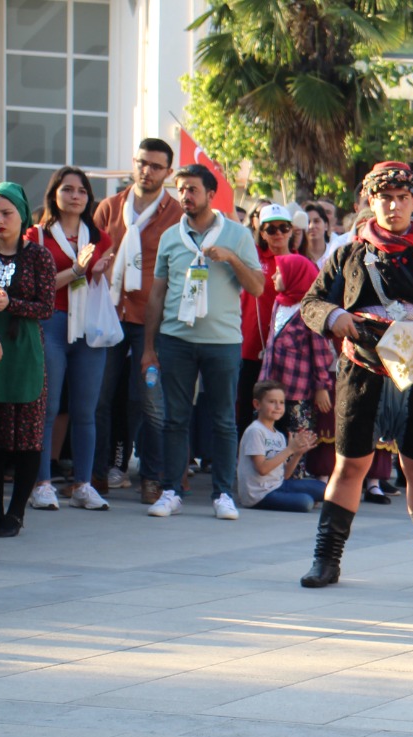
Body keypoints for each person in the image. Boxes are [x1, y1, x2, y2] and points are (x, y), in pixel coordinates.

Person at [297, 161, 413, 590]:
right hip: (362, 369)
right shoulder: (347, 252)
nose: (394, 205)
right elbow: (310, 303)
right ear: (370, 200)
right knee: (351, 466)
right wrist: (333, 316)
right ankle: (326, 562)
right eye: (385, 197)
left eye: (403, 198)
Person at [140, 164, 264, 521]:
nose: (185, 196)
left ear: (212, 194)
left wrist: (231, 258)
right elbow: (156, 296)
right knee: (174, 419)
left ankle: (223, 493)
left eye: (192, 189)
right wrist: (149, 347)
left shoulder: (237, 235)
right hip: (176, 339)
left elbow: (257, 286)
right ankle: (170, 490)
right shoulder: (169, 237)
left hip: (222, 341)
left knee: (224, 420)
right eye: (181, 189)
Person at [92, 138, 178, 504]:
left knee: (149, 401)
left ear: (168, 173)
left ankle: (152, 478)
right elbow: (91, 251)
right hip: (108, 313)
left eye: (156, 166)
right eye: (143, 163)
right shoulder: (110, 208)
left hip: (150, 320)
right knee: (98, 400)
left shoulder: (176, 214)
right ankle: (94, 478)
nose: (148, 171)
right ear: (134, 163)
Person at [27, 167, 113, 513]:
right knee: (46, 409)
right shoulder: (37, 236)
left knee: (85, 410)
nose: (76, 196)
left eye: (82, 191)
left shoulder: (100, 236)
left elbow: (102, 281)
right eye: (68, 189)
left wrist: (98, 272)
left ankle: (83, 483)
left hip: (89, 325)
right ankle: (42, 483)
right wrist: (77, 270)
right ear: (55, 195)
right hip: (51, 322)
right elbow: (37, 287)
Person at [0, 183, 56, 537]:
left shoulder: (38, 256)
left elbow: (47, 307)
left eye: (6, 213)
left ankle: (16, 513)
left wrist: (9, 304)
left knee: (27, 435)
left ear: (22, 215)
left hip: (24, 350)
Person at [258, 254, 335, 456]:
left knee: (297, 442)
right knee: (272, 440)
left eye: (279, 272)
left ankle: (296, 482)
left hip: (297, 392)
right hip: (272, 388)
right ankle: (273, 481)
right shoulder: (279, 303)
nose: (273, 276)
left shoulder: (309, 310)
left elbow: (320, 351)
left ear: (295, 276)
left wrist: (322, 386)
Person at [239, 205, 294, 437]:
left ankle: (277, 460)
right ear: (261, 232)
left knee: (280, 407)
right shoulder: (252, 256)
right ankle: (243, 458)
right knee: (244, 405)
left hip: (284, 350)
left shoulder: (299, 262)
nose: (278, 233)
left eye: (284, 227)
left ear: (291, 230)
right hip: (250, 345)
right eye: (271, 229)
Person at [237, 380, 326, 511]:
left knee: (324, 489)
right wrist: (290, 449)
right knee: (306, 502)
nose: (278, 407)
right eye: (272, 402)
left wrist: (297, 454)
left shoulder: (279, 435)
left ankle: (291, 497)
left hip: (279, 485)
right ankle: (294, 498)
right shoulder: (255, 431)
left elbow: (285, 475)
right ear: (257, 404)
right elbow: (262, 469)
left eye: (281, 402)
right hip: (259, 494)